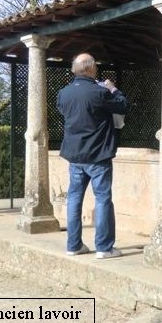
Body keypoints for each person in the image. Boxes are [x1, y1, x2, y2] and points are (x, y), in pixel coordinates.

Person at [57, 53, 128, 259]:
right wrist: (113, 88)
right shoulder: (100, 93)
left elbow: (66, 112)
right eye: (95, 66)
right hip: (98, 155)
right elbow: (123, 105)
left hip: (75, 156)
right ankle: (104, 248)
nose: (96, 68)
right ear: (89, 69)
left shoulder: (64, 93)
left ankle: (73, 245)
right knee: (103, 199)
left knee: (74, 199)